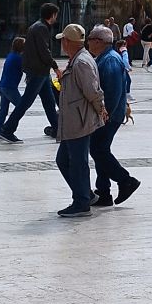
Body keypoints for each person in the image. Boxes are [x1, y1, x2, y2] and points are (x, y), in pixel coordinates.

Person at [53, 23, 107, 216]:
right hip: (73, 121)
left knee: (77, 162)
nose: (61, 44)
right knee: (64, 160)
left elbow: (92, 90)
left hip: (79, 121)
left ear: (68, 42)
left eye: (63, 41)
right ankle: (85, 194)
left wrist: (101, 109)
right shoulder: (77, 59)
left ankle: (82, 202)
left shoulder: (81, 62)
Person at [87, 26, 141, 208]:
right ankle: (103, 192)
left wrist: (105, 113)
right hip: (109, 114)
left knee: (97, 149)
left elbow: (113, 91)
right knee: (101, 150)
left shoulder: (109, 60)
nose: (88, 42)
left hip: (110, 115)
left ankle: (125, 180)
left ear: (98, 42)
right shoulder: (105, 57)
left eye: (90, 39)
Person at [0, 3, 61, 141]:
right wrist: (55, 67)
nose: (57, 17)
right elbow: (44, 51)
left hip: (41, 72)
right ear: (52, 15)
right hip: (38, 71)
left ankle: (57, 130)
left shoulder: (38, 27)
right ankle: (7, 129)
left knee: (49, 102)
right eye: (56, 14)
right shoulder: (41, 28)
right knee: (26, 102)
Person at [0, 37, 26, 142]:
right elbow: (27, 68)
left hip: (2, 86)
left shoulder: (11, 56)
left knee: (3, 110)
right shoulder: (18, 58)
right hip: (10, 88)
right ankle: (7, 129)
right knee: (21, 107)